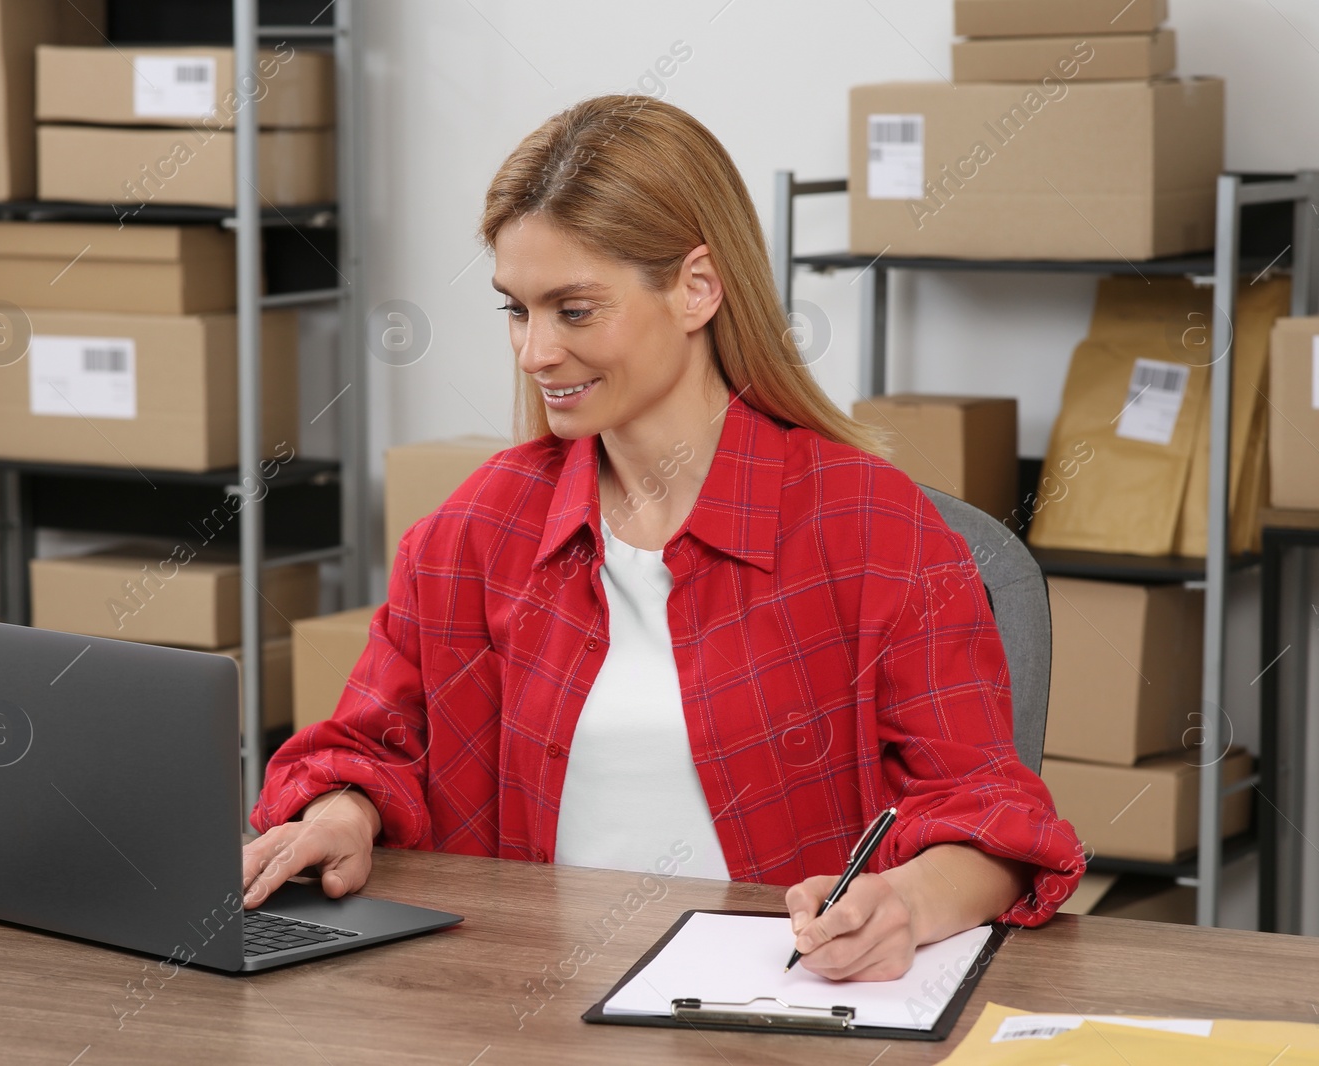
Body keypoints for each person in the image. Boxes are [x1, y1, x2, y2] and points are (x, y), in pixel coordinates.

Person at [242, 95, 1083, 982]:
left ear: (696, 288)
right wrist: (340, 814)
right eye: (516, 311)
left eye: (573, 311)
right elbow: (371, 746)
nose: (533, 353)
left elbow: (989, 815)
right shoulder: (474, 532)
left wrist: (906, 905)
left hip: (775, 1019)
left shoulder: (872, 529)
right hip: (520, 1016)